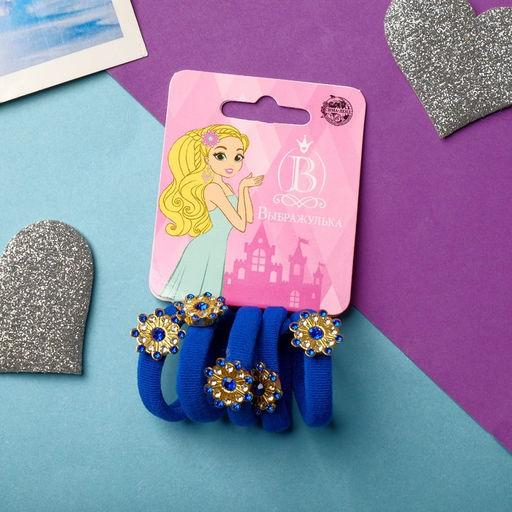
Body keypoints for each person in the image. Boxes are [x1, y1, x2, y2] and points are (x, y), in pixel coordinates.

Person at [159, 124, 263, 299]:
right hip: (205, 249)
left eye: (238, 157)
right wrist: (242, 187)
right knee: (194, 302)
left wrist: (244, 188)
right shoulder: (213, 189)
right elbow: (240, 224)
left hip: (217, 249)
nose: (231, 163)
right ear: (207, 158)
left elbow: (248, 218)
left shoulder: (227, 187)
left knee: (207, 302)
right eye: (221, 156)